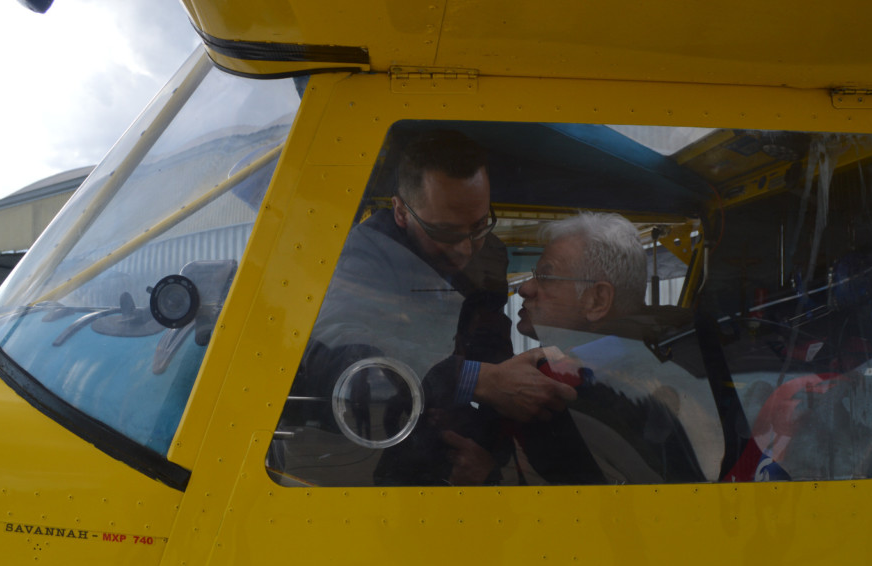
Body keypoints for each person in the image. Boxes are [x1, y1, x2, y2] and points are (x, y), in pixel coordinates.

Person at [286, 130, 574, 485]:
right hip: (367, 451)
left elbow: (490, 351)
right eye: (445, 232)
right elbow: (340, 351)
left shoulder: (488, 253)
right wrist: (474, 379)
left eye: (479, 225)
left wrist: (490, 453)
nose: (466, 248)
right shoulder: (364, 255)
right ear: (401, 212)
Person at [512, 212, 720, 483]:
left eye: (545, 276)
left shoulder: (579, 386)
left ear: (598, 301)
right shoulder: (670, 359)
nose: (525, 288)